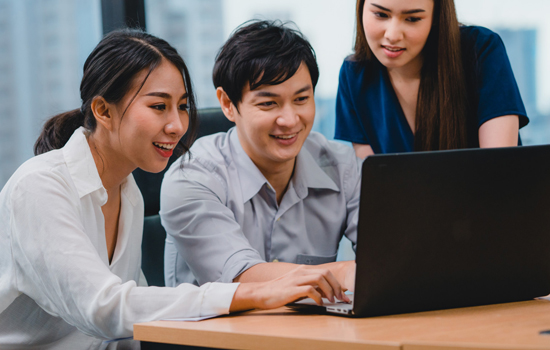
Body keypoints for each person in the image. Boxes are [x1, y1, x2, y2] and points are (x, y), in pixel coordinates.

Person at [0, 29, 347, 349]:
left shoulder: (127, 191)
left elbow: (126, 327)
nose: (178, 125)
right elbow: (104, 308)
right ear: (103, 110)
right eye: (158, 107)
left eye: (182, 106)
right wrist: (252, 294)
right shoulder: (39, 186)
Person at [160, 20, 359, 292]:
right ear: (228, 104)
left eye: (301, 99)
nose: (290, 120)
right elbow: (240, 276)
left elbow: (388, 257)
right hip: (216, 333)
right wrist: (344, 272)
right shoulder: (192, 178)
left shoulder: (342, 166)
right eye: (268, 103)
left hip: (314, 332)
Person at [335, 0, 528, 158]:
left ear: (436, 16)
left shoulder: (480, 51)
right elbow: (375, 181)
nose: (393, 35)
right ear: (361, 7)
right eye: (380, 14)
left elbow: (498, 168)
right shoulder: (354, 76)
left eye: (412, 19)